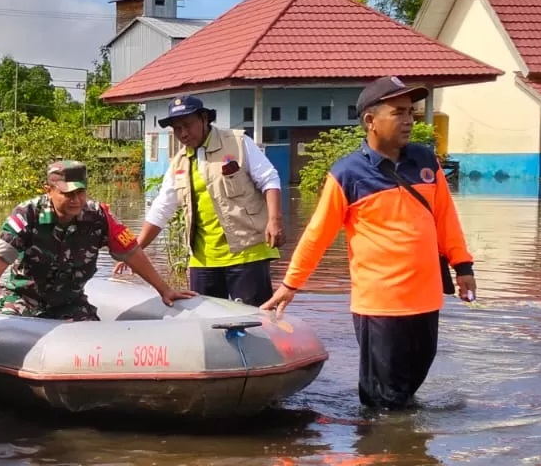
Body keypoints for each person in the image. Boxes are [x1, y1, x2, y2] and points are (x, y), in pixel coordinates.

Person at [260, 76, 477, 410]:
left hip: (426, 301)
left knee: (407, 391)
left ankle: (405, 441)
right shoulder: (348, 173)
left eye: (411, 112)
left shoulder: (426, 162)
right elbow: (317, 235)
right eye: (398, 112)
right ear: (370, 120)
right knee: (382, 403)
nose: (409, 120)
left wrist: (463, 267)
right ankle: (378, 444)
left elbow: (446, 219)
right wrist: (291, 285)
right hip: (380, 307)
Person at [0, 160, 195, 320]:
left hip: (70, 302)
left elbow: (132, 252)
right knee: (7, 328)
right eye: (68, 194)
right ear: (49, 190)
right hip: (24, 299)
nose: (76, 200)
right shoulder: (28, 214)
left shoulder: (97, 216)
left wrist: (164, 290)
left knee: (94, 339)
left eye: (81, 193)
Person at [116, 95, 285, 306]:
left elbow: (269, 179)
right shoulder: (179, 162)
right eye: (177, 129)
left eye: (187, 125)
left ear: (204, 119)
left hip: (247, 253)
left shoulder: (238, 142)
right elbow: (161, 209)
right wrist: (135, 251)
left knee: (254, 318)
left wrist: (275, 220)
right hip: (203, 260)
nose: (183, 133)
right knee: (204, 320)